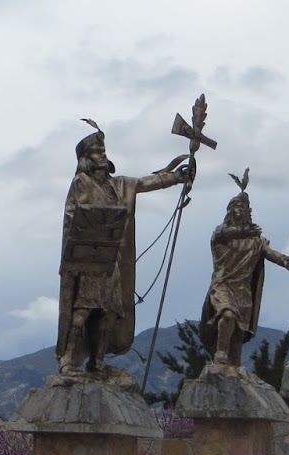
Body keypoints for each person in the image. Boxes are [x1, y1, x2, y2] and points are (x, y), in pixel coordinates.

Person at [57, 126, 192, 374]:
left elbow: (144, 183)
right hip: (90, 260)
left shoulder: (119, 185)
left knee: (109, 313)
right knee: (83, 309)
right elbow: (72, 217)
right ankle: (68, 359)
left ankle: (97, 362)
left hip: (113, 260)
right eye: (96, 151)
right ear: (86, 158)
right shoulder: (81, 183)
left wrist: (176, 177)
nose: (102, 154)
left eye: (103, 150)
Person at [199, 190, 289, 368]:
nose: (242, 210)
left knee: (240, 331)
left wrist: (286, 261)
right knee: (227, 315)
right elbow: (226, 233)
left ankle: (235, 367)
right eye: (238, 206)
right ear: (230, 210)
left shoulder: (256, 240)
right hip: (223, 285)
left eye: (245, 207)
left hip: (243, 290)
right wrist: (243, 232)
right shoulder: (220, 233)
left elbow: (271, 253)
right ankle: (220, 354)